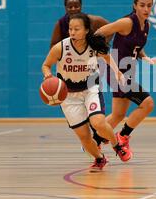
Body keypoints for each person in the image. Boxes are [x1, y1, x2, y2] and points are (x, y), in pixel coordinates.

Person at [42, 13, 132, 171]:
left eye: (76, 29)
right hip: (68, 95)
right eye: (70, 29)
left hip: (91, 88)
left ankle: (117, 145)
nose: (72, 32)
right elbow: (46, 65)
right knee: (84, 137)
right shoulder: (61, 47)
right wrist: (48, 76)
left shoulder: (93, 47)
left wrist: (118, 73)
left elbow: (108, 57)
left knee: (98, 123)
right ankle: (99, 158)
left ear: (85, 31)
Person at [92, 0, 156, 154]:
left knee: (118, 114)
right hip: (115, 72)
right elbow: (99, 33)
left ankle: (94, 140)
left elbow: (137, 47)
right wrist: (102, 53)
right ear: (134, 6)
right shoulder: (126, 22)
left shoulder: (146, 25)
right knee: (148, 104)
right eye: (142, 5)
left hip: (128, 72)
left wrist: (147, 59)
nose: (146, 9)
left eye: (149, 6)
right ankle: (123, 136)